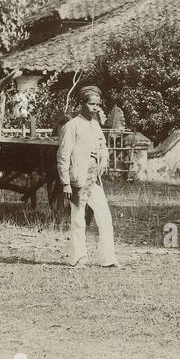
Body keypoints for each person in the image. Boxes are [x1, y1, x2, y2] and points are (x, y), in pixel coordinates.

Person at [56, 86, 120, 268]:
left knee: (104, 216)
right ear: (81, 104)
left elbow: (102, 146)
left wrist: (103, 158)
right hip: (78, 178)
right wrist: (65, 183)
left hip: (93, 179)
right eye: (91, 104)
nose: (95, 108)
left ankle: (108, 258)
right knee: (78, 218)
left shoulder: (95, 125)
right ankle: (78, 258)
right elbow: (63, 156)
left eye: (97, 105)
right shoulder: (72, 126)